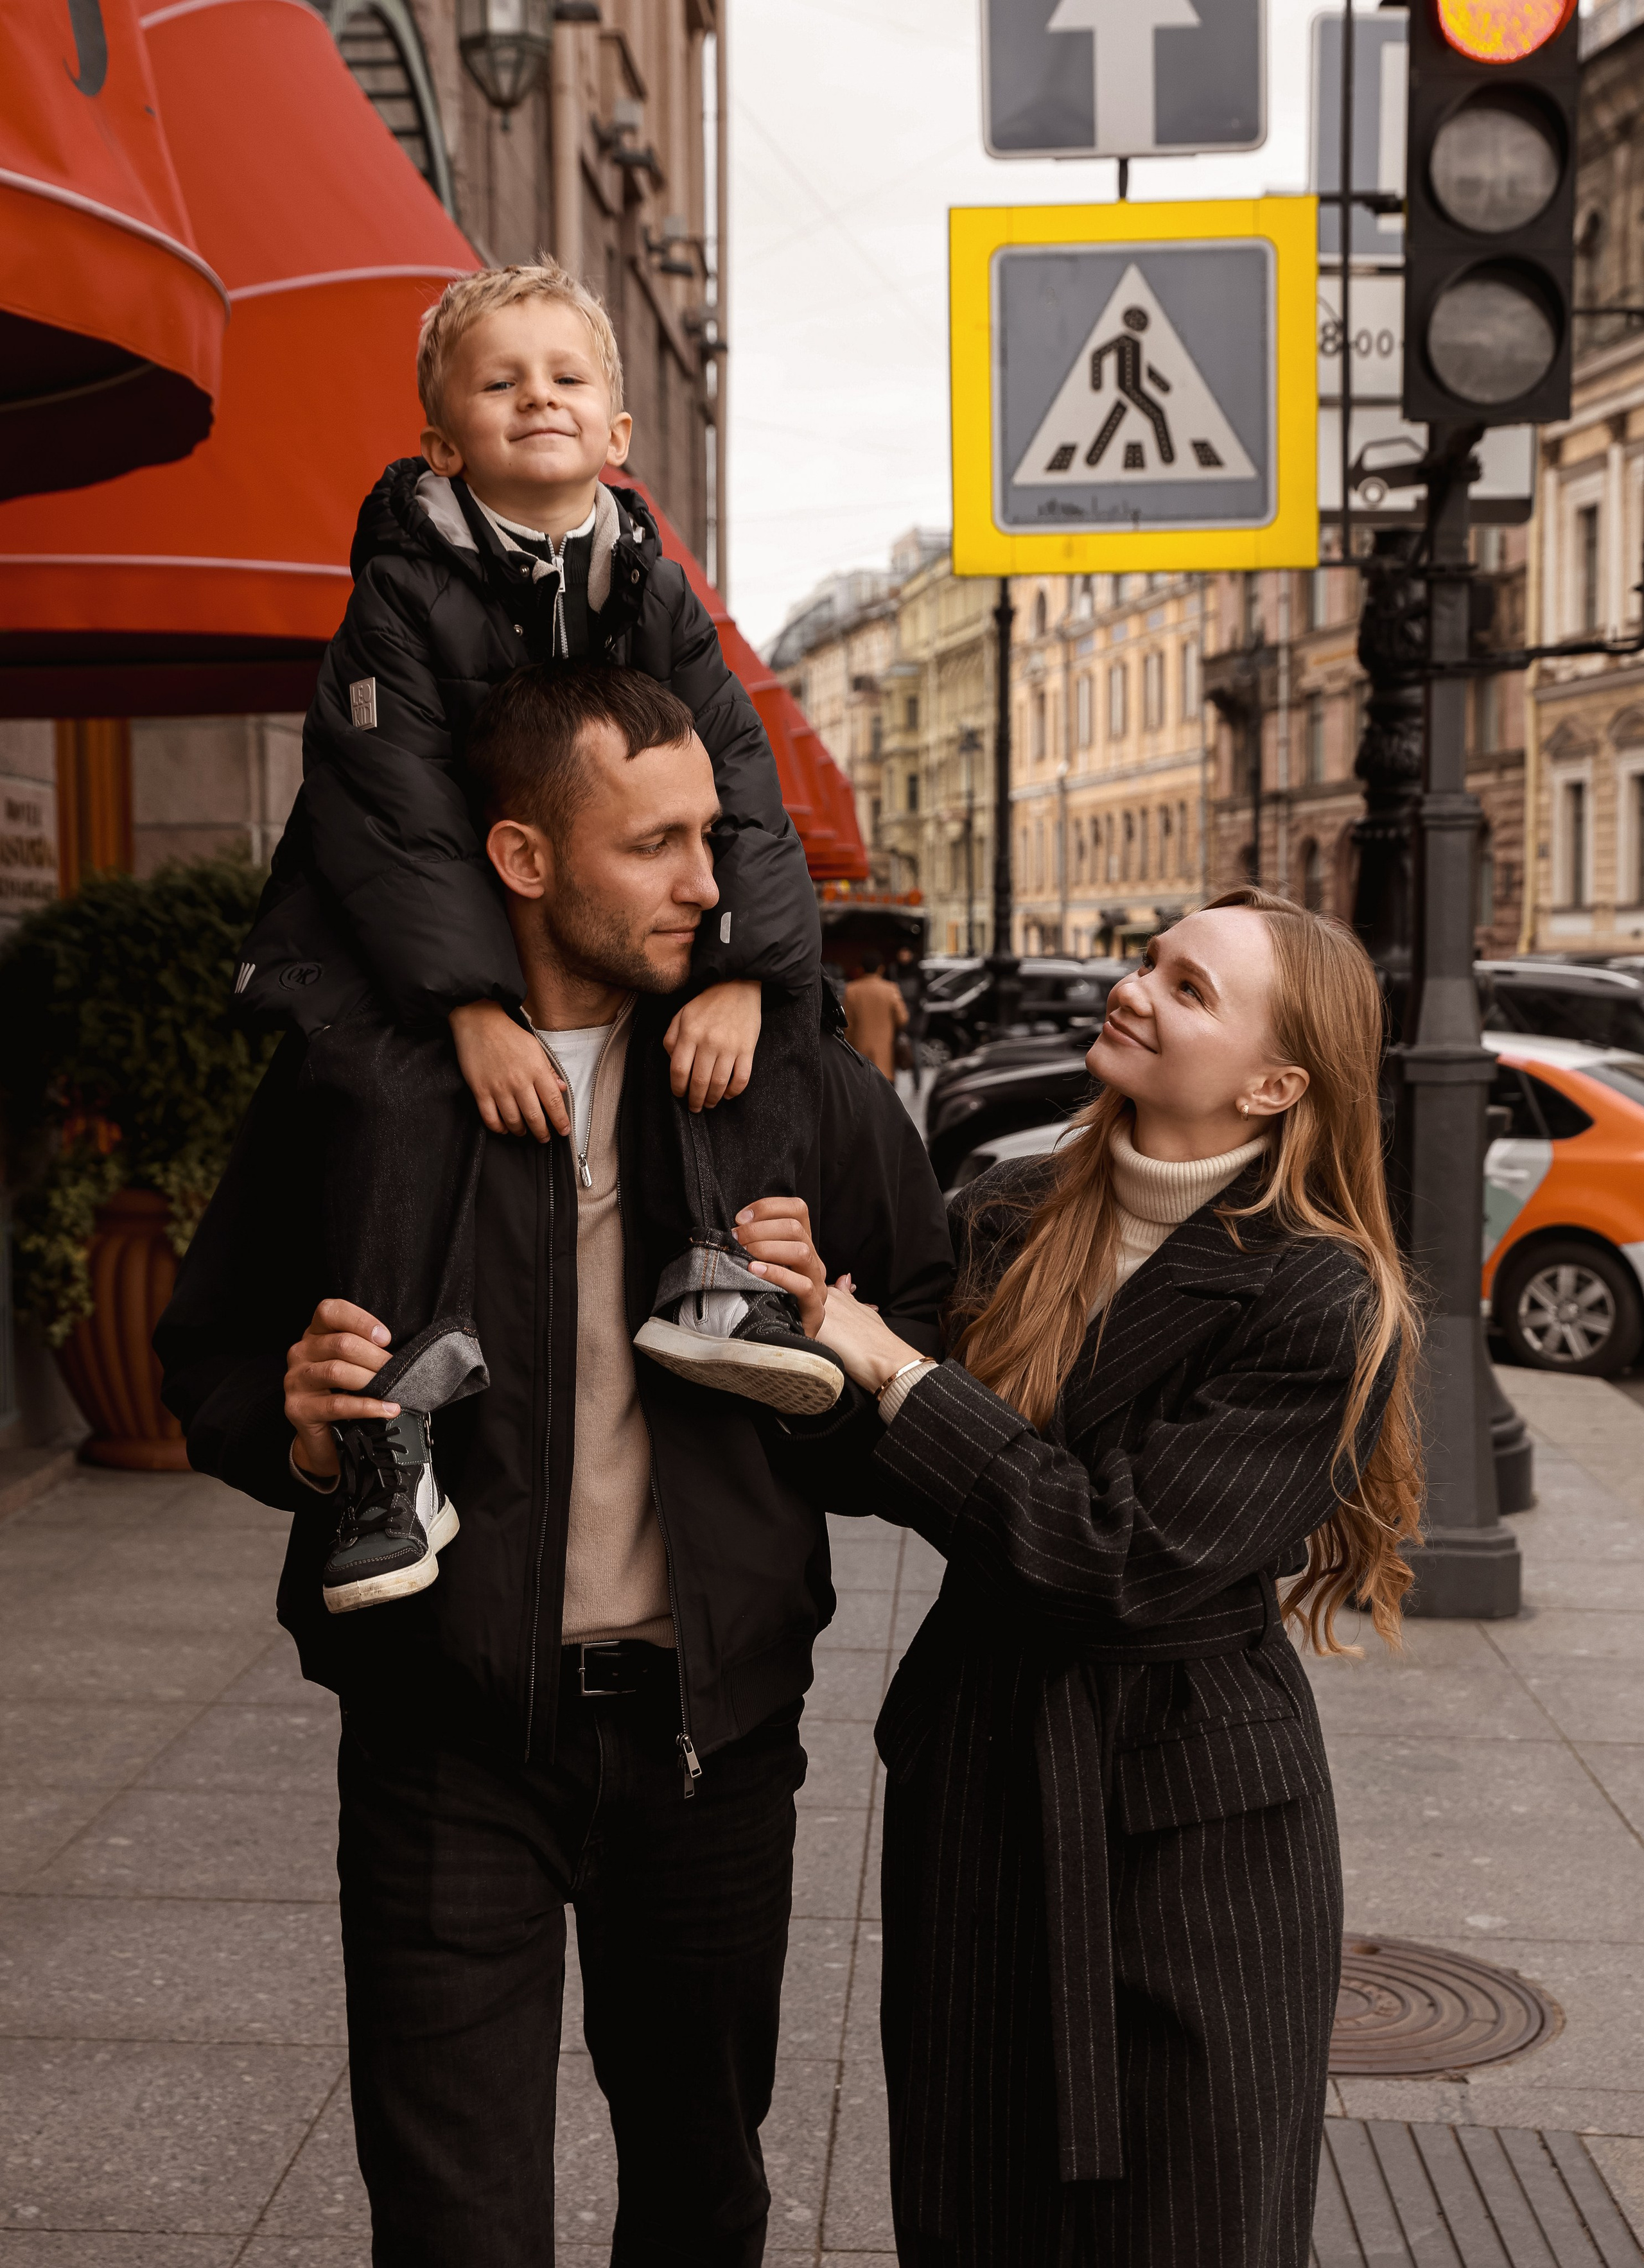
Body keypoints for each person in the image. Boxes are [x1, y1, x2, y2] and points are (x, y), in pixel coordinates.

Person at [155, 667, 954, 2267]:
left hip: (705, 1746)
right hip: (440, 1743)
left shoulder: (788, 1080)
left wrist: (827, 1342)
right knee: (453, 2225)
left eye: (708, 837)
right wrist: (299, 1430)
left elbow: (927, 1361)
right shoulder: (361, 1085)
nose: (704, 882)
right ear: (521, 859)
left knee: (699, 2195)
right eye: (651, 844)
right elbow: (209, 1363)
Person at [778, 888, 1423, 2267]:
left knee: (1189, 2224)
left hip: (1193, 1821)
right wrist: (797, 1340)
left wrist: (896, 1371)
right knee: (971, 2209)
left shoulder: (1320, 1294)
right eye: (1147, 961)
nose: (1133, 988)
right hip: (984, 1776)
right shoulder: (1008, 1209)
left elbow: (1117, 1554)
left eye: (1187, 986)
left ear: (1272, 1080)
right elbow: (878, 1463)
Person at [231, 257, 835, 1615]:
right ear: (442, 441)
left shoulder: (652, 586)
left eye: (566, 378)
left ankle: (724, 1281)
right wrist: (467, 1005)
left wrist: (739, 969)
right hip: (385, 931)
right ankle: (394, 1432)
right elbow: (393, 816)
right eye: (499, 383)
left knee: (753, 1025)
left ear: (619, 435)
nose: (537, 400)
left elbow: (732, 778)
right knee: (392, 1087)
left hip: (554, 921)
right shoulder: (400, 587)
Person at [843, 950, 909, 1081]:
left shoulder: (851, 990)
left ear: (861, 969)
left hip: (859, 1056)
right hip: (885, 1057)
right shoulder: (891, 989)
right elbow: (903, 1018)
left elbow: (847, 1024)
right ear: (881, 968)